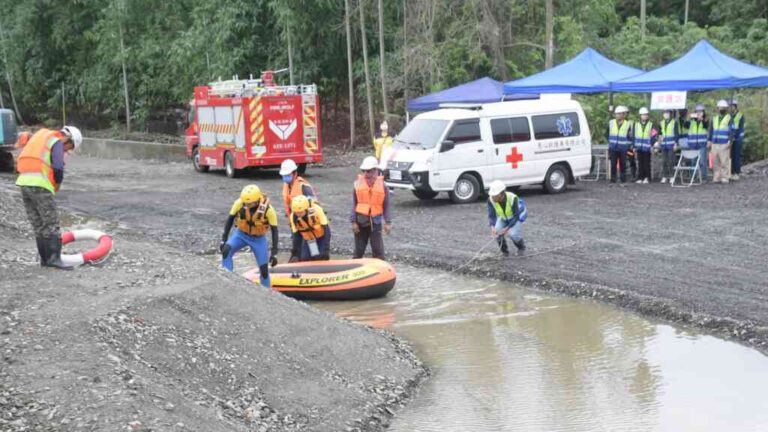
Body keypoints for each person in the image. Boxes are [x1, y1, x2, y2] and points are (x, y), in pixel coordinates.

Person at [16, 126, 83, 269]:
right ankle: (54, 260)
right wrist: (58, 184)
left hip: (23, 183)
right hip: (40, 184)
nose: (66, 151)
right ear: (68, 139)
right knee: (51, 223)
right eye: (69, 147)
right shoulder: (56, 141)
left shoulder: (41, 136)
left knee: (38, 224)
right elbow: (58, 166)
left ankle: (45, 259)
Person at [220, 185, 278, 287]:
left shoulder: (269, 210)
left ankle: (266, 293)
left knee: (264, 270)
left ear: (256, 201)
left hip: (258, 240)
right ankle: (226, 281)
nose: (246, 205)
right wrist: (223, 239)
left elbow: (274, 231)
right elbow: (230, 220)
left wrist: (274, 253)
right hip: (241, 235)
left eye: (249, 203)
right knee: (226, 250)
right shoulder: (239, 203)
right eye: (245, 203)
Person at [350, 156, 392, 260]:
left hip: (376, 223)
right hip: (361, 223)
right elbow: (353, 204)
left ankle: (380, 272)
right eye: (364, 171)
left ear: (375, 171)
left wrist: (388, 222)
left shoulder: (383, 186)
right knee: (358, 251)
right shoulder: (357, 185)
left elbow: (386, 205)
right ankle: (355, 270)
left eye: (369, 171)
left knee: (378, 252)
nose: (366, 174)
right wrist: (353, 222)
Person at [487, 180, 526, 256]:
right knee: (497, 232)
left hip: (515, 217)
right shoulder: (491, 200)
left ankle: (521, 248)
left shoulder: (512, 198)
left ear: (502, 194)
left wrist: (507, 228)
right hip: (503, 217)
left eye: (495, 195)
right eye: (492, 195)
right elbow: (492, 215)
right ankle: (504, 251)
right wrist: (492, 227)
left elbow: (516, 216)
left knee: (513, 234)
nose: (493, 197)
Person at [289, 195, 331, 262]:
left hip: (321, 238)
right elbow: (296, 237)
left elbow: (327, 230)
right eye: (296, 212)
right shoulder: (293, 217)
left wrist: (326, 248)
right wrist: (295, 253)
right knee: (305, 258)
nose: (298, 214)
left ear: (306, 209)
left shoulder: (317, 209)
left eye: (300, 212)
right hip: (311, 240)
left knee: (321, 256)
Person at [708, 99, 734, 184]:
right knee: (715, 161)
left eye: (723, 107)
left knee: (724, 161)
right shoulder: (714, 118)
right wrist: (709, 140)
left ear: (726, 109)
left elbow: (732, 130)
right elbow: (710, 130)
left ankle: (725, 177)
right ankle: (717, 177)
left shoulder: (729, 118)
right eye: (720, 107)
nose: (721, 109)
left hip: (724, 142)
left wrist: (730, 140)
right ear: (717, 108)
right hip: (715, 142)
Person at [606, 105, 633, 183]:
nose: (618, 115)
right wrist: (610, 142)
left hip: (623, 148)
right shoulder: (611, 123)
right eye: (617, 114)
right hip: (613, 147)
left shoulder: (628, 124)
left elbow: (630, 136)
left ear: (623, 115)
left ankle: (623, 179)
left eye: (620, 114)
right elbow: (606, 133)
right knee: (613, 164)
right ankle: (613, 179)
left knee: (623, 164)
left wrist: (628, 144)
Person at [633, 107, 657, 184]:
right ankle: (640, 177)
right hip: (639, 147)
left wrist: (651, 144)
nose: (644, 116)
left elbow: (654, 135)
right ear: (640, 116)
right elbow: (633, 136)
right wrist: (634, 146)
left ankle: (647, 177)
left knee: (646, 163)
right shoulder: (636, 125)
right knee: (640, 163)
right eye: (643, 115)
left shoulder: (651, 125)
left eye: (646, 115)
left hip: (647, 147)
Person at [687, 104, 709, 180]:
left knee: (703, 161)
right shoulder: (692, 120)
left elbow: (706, 126)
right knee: (693, 161)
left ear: (703, 112)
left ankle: (704, 177)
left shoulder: (705, 120)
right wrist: (689, 118)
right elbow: (685, 125)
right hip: (693, 144)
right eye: (697, 111)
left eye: (701, 111)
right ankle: (693, 177)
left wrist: (702, 120)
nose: (699, 113)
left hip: (702, 143)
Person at [656, 109, 678, 183]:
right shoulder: (661, 123)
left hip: (671, 144)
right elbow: (659, 134)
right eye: (665, 112)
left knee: (671, 161)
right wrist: (658, 143)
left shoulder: (674, 122)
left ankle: (672, 176)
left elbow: (676, 134)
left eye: (667, 113)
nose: (666, 114)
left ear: (670, 114)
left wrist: (675, 144)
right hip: (663, 145)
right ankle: (665, 176)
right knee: (664, 161)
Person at [729, 99, 745, 181]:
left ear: (735, 106)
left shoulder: (740, 115)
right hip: (730, 139)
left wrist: (736, 137)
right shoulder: (729, 115)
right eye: (729, 106)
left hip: (737, 138)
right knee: (730, 156)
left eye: (731, 106)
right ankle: (731, 172)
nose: (730, 108)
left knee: (736, 156)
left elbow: (741, 128)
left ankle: (736, 172)